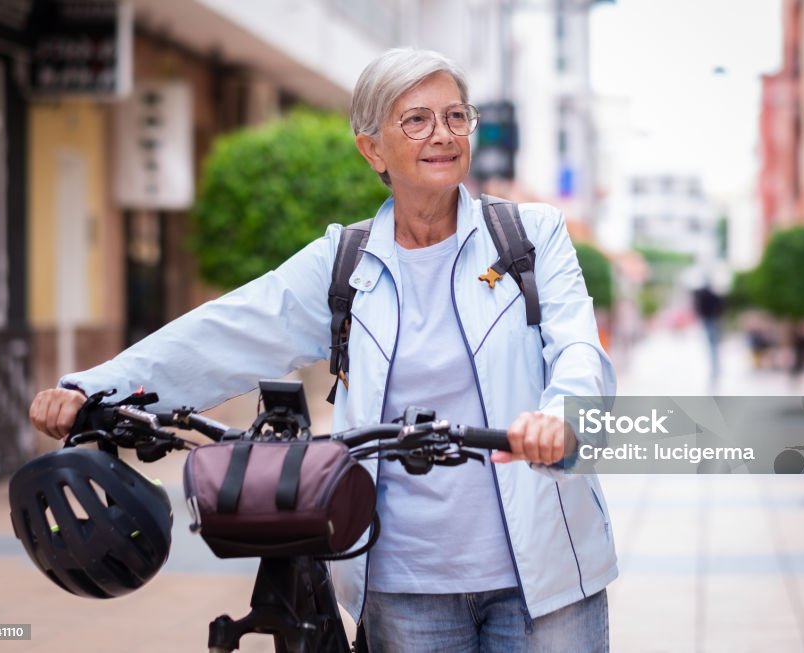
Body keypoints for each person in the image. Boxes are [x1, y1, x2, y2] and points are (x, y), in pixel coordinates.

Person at [30, 47, 617, 652]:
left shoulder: (529, 236)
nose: (441, 135)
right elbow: (226, 331)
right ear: (372, 148)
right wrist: (93, 390)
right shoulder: (344, 262)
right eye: (415, 120)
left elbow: (578, 349)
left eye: (455, 117)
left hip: (546, 576)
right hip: (406, 581)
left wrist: (561, 417)